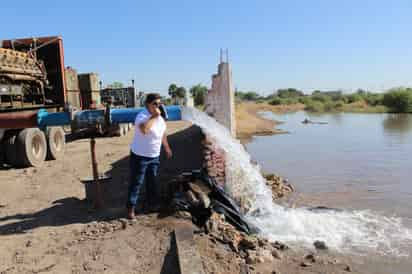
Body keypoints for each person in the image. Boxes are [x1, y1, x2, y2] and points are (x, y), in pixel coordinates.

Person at [126, 93, 173, 219]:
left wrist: (167, 147)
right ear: (148, 104)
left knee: (152, 181)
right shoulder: (142, 115)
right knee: (137, 182)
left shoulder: (160, 119)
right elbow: (144, 130)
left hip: (154, 156)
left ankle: (152, 204)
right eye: (155, 104)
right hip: (140, 156)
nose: (158, 106)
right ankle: (131, 208)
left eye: (159, 104)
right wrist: (154, 116)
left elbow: (163, 133)